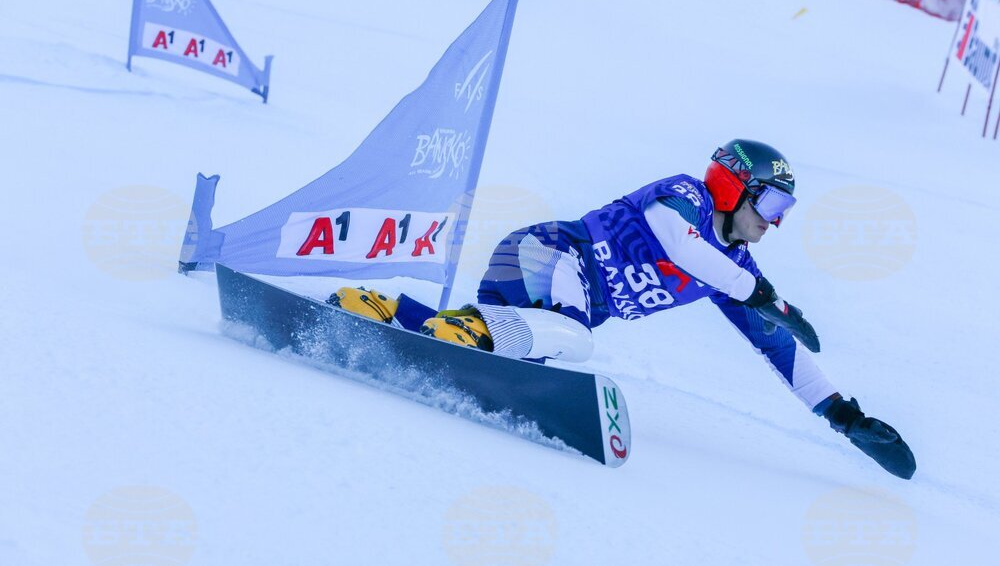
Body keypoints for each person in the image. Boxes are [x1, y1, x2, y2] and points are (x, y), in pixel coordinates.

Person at [331, 140, 916, 478]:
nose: (775, 222)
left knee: (519, 356)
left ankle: (387, 311)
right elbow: (675, 240)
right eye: (771, 204)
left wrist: (844, 416)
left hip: (540, 300)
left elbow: (777, 347)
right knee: (575, 338)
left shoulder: (734, 272)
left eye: (784, 211)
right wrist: (760, 294)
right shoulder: (686, 195)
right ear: (735, 186)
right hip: (546, 254)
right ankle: (462, 329)